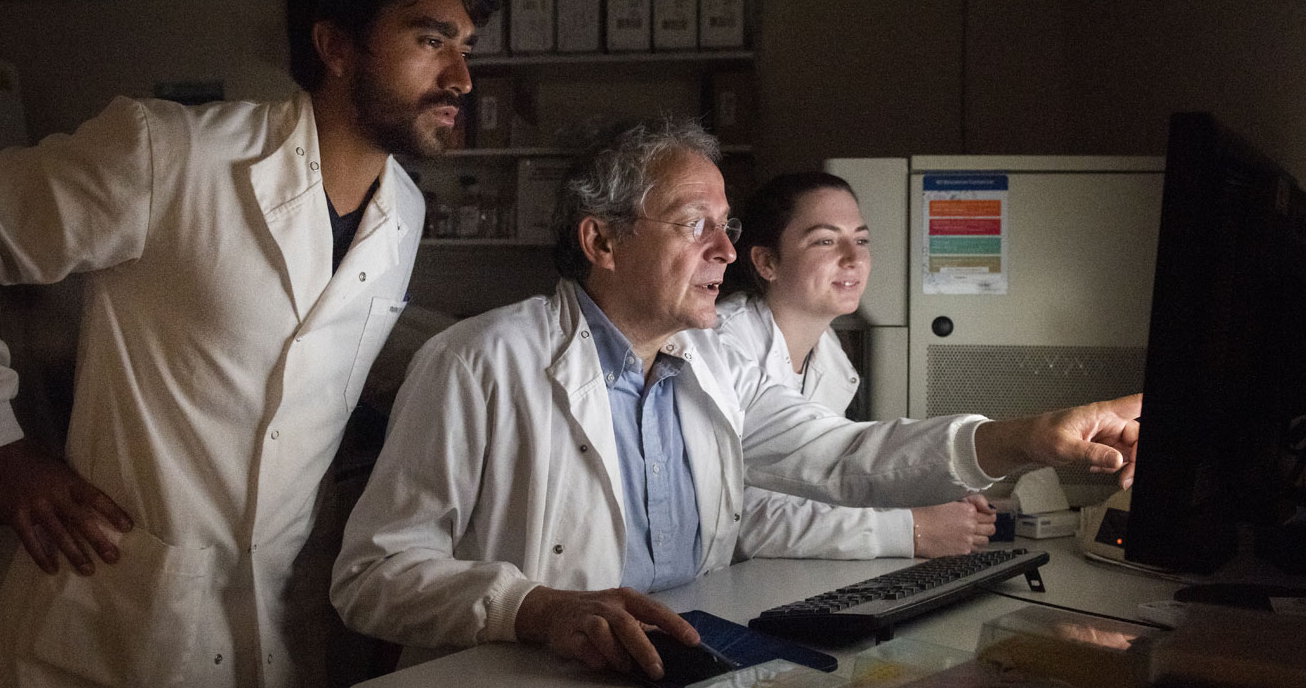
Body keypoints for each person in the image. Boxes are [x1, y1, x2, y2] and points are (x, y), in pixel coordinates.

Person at [329, 118, 1141, 682]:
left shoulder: (710, 368)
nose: (725, 250)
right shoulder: (479, 363)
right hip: (519, 672)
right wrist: (535, 609)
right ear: (601, 241)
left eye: (726, 225)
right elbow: (373, 575)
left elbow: (842, 454)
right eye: (695, 225)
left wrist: (1027, 436)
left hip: (689, 660)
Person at [0, 0, 503, 685]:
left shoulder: (403, 212)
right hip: (117, 621)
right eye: (431, 42)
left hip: (275, 628)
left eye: (465, 49)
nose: (461, 80)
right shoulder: (171, 156)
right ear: (336, 47)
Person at [718, 172, 995, 561]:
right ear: (766, 262)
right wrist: (912, 529)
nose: (853, 258)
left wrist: (929, 489)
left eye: (861, 240)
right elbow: (734, 520)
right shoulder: (722, 347)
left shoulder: (830, 355)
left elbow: (833, 481)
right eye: (826, 240)